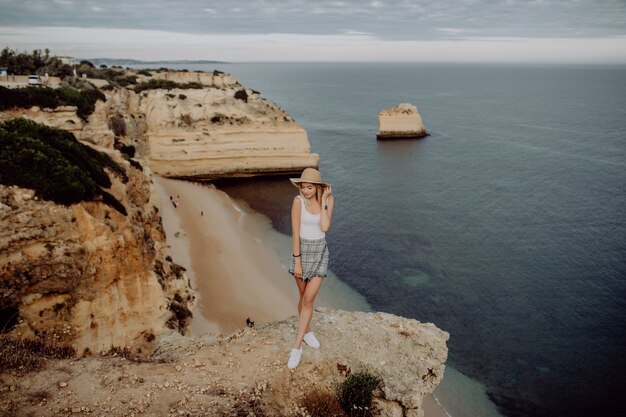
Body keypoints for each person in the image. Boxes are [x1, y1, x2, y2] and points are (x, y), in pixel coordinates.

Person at [287, 168, 334, 369]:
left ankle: (296, 347)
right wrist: (297, 260)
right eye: (303, 187)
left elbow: (324, 227)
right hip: (302, 251)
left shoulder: (328, 201)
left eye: (309, 187)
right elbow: (295, 233)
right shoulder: (298, 202)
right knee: (303, 297)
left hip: (320, 252)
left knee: (308, 299)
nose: (305, 191)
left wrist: (324, 202)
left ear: (317, 187)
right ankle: (306, 332)